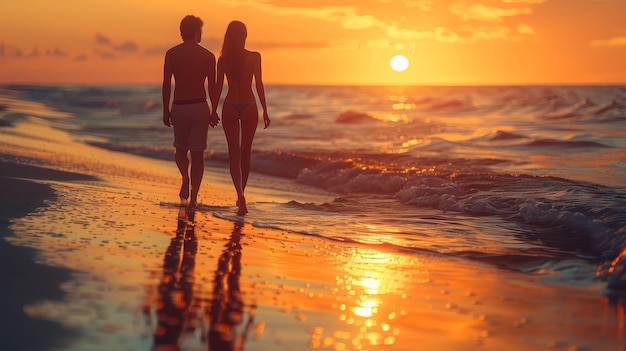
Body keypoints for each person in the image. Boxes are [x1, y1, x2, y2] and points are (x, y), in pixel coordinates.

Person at [162, 15, 220, 208]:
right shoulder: (208, 56)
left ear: (182, 32)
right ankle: (194, 198)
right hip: (199, 106)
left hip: (179, 106)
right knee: (198, 154)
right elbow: (212, 87)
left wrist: (165, 109)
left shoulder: (171, 54)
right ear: (197, 31)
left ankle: (185, 178)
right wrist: (213, 110)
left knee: (180, 150)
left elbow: (166, 84)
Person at [216, 20, 270, 216]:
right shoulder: (254, 57)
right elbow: (259, 84)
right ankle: (242, 195)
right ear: (244, 36)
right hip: (249, 106)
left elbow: (217, 87)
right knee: (245, 152)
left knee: (234, 153)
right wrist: (265, 109)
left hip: (229, 105)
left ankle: (239, 193)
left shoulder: (223, 60)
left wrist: (213, 109)